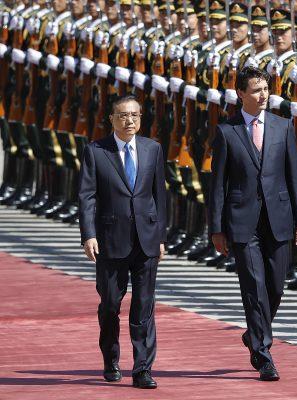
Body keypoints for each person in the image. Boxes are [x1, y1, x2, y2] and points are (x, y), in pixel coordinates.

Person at [208, 66, 297, 381]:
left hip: (278, 219)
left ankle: (254, 333)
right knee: (253, 287)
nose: (262, 95)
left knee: (275, 287)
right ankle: (264, 354)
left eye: (265, 89)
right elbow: (218, 185)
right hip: (242, 222)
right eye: (255, 89)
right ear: (240, 93)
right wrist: (216, 228)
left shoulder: (282, 127)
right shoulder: (227, 131)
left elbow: (295, 178)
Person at [78, 95, 167, 389]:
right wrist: (88, 235)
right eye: (123, 116)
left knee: (144, 305)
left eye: (135, 115)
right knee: (110, 305)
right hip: (110, 240)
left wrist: (161, 236)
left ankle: (142, 368)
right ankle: (110, 358)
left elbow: (159, 196)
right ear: (112, 119)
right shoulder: (96, 151)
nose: (129, 121)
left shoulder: (152, 149)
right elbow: (87, 196)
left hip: (146, 240)